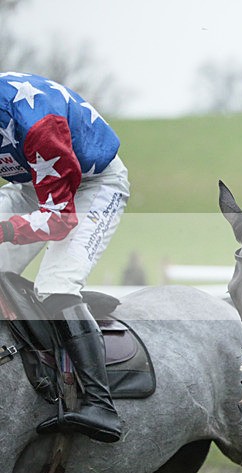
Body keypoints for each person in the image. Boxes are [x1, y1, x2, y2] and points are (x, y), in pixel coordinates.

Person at [0, 72, 129, 443]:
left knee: (56, 284)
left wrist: (6, 231)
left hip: (91, 188)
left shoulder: (38, 124)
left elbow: (59, 220)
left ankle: (100, 404)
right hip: (29, 184)